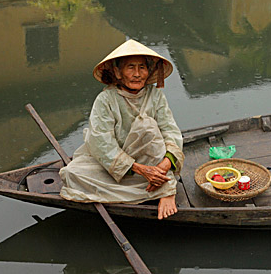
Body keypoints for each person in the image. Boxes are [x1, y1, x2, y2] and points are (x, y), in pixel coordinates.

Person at [59, 39, 185, 220]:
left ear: (148, 71)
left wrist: (163, 168)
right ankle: (148, 188)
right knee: (72, 174)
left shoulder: (155, 95)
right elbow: (102, 143)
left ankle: (165, 189)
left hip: (153, 162)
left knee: (147, 127)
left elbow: (170, 132)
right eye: (130, 67)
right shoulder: (105, 100)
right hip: (125, 165)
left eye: (142, 67)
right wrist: (141, 170)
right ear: (118, 72)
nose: (137, 74)